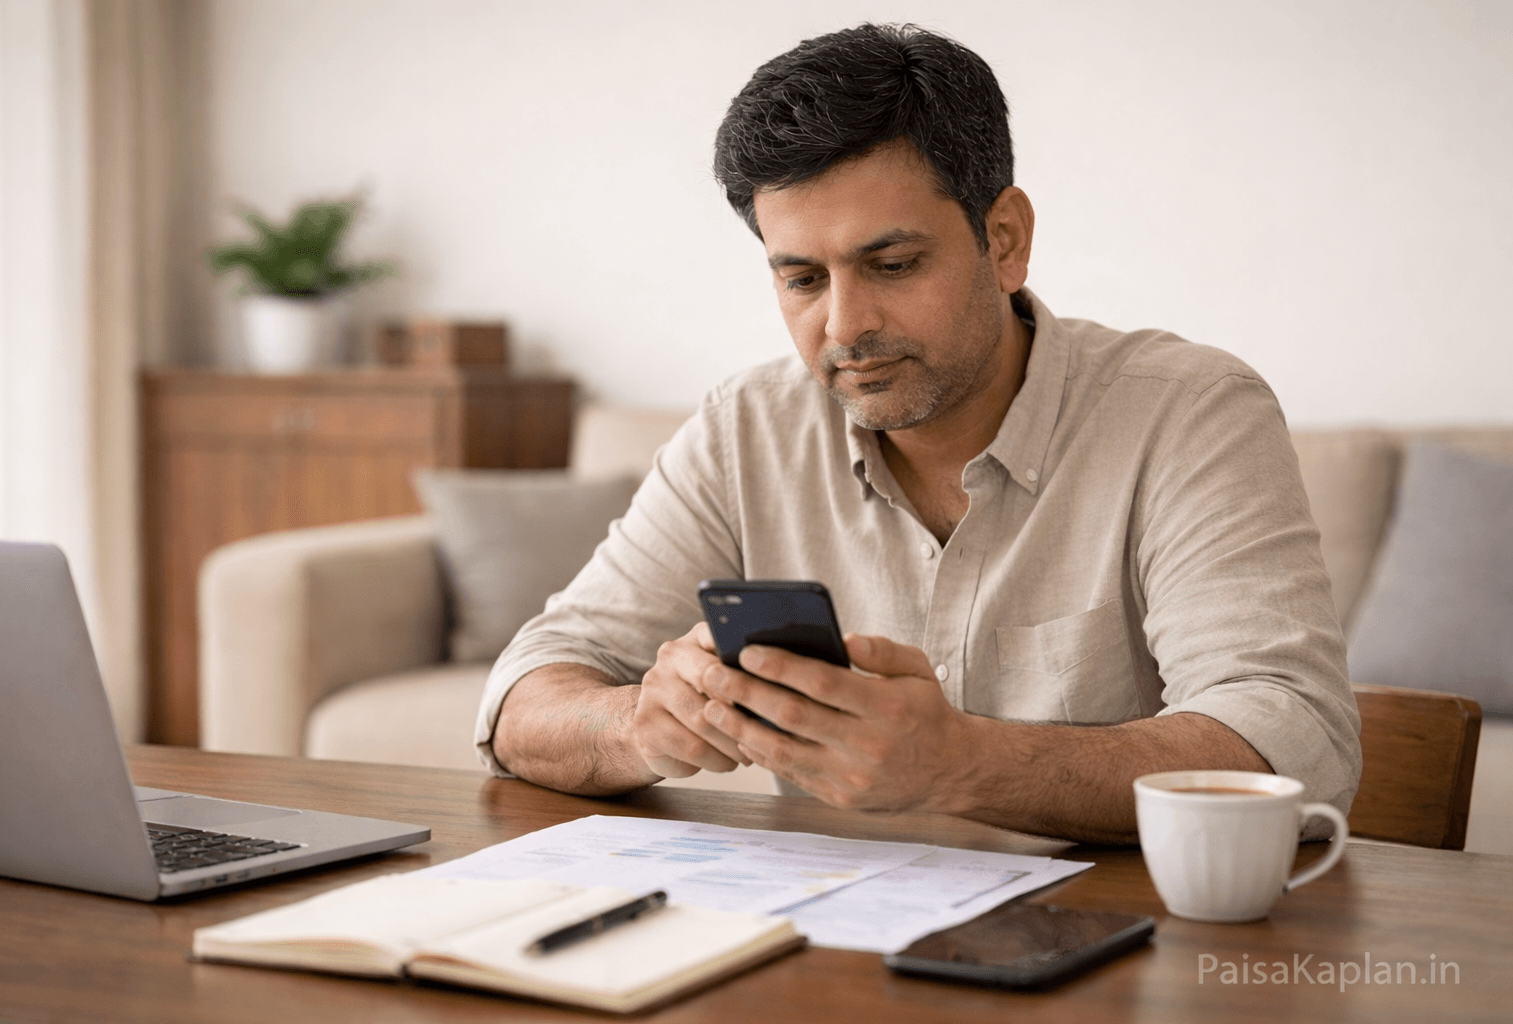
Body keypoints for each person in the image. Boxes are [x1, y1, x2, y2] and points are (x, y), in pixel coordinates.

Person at [476, 23, 1360, 844]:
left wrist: (957, 764)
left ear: (1004, 239)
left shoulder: (1190, 411)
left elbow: (1292, 738)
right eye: (802, 279)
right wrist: (643, 724)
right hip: (835, 960)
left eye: (891, 265)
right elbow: (526, 695)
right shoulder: (745, 428)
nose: (844, 326)